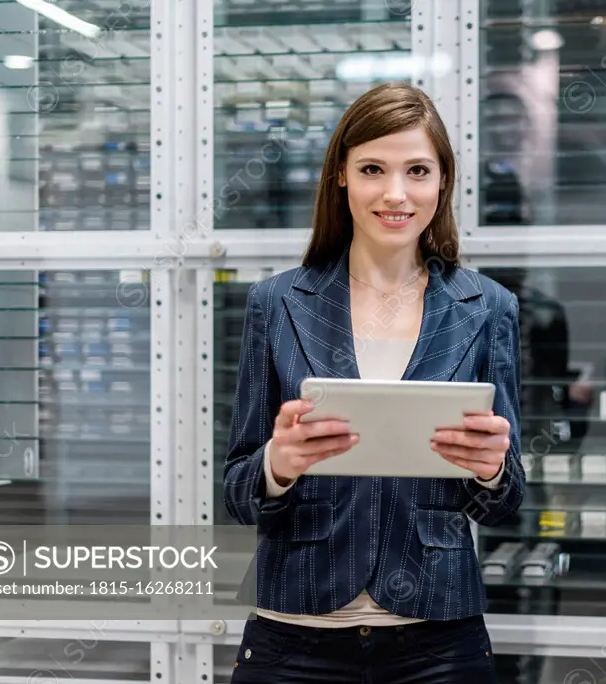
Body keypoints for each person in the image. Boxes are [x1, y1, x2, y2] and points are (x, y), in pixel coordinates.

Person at [222, 81, 524, 683]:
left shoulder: (488, 307)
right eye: (371, 169)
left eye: (417, 170)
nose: (395, 193)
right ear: (341, 177)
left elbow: (506, 501)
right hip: (296, 636)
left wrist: (491, 468)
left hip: (439, 641)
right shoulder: (277, 302)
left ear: (443, 181)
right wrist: (277, 464)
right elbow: (236, 490)